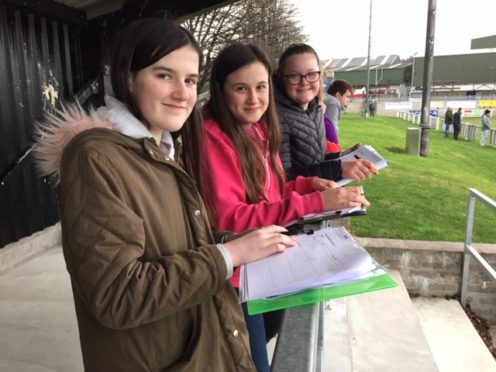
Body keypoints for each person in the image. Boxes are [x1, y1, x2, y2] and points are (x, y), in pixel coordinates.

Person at [32, 19, 299, 372]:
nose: (183, 93)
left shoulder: (164, 149)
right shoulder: (96, 158)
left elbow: (176, 242)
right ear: (127, 78)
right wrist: (228, 254)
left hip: (199, 346)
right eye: (164, 76)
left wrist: (238, 242)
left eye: (189, 80)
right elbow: (117, 294)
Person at [201, 43, 370, 372]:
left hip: (266, 264)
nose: (254, 99)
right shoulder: (214, 138)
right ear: (220, 91)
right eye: (241, 88)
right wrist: (315, 200)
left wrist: (307, 186)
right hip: (237, 280)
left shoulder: (261, 128)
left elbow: (273, 191)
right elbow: (231, 219)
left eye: (260, 87)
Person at [274, 43, 377, 181]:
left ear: (319, 75)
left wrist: (343, 156)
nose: (304, 82)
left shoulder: (315, 110)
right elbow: (284, 177)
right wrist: (339, 169)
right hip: (302, 201)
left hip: (321, 196)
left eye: (311, 74)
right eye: (294, 76)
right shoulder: (277, 119)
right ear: (282, 79)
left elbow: (316, 161)